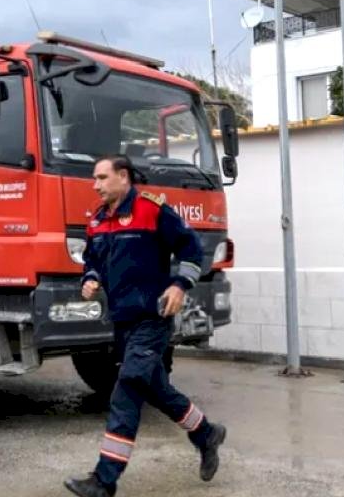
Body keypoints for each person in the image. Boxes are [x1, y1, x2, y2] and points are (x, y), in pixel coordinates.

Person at [64, 155, 226, 497]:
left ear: (123, 177)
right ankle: (206, 433)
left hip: (153, 318)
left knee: (127, 388)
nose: (95, 185)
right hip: (122, 321)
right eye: (95, 179)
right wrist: (90, 280)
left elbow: (191, 248)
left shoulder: (152, 210)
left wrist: (180, 285)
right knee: (155, 389)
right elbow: (92, 261)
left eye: (102, 178)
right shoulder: (97, 219)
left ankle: (104, 480)